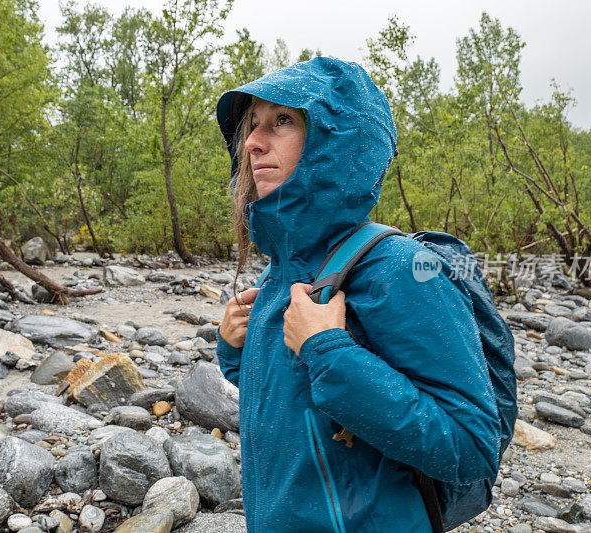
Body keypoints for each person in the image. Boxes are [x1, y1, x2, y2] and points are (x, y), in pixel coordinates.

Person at [214, 57, 501, 532]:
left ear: (337, 141)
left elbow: (470, 448)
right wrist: (234, 349)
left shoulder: (401, 269)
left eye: (282, 121)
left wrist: (328, 351)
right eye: (254, 123)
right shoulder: (282, 273)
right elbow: (291, 404)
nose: (252, 142)